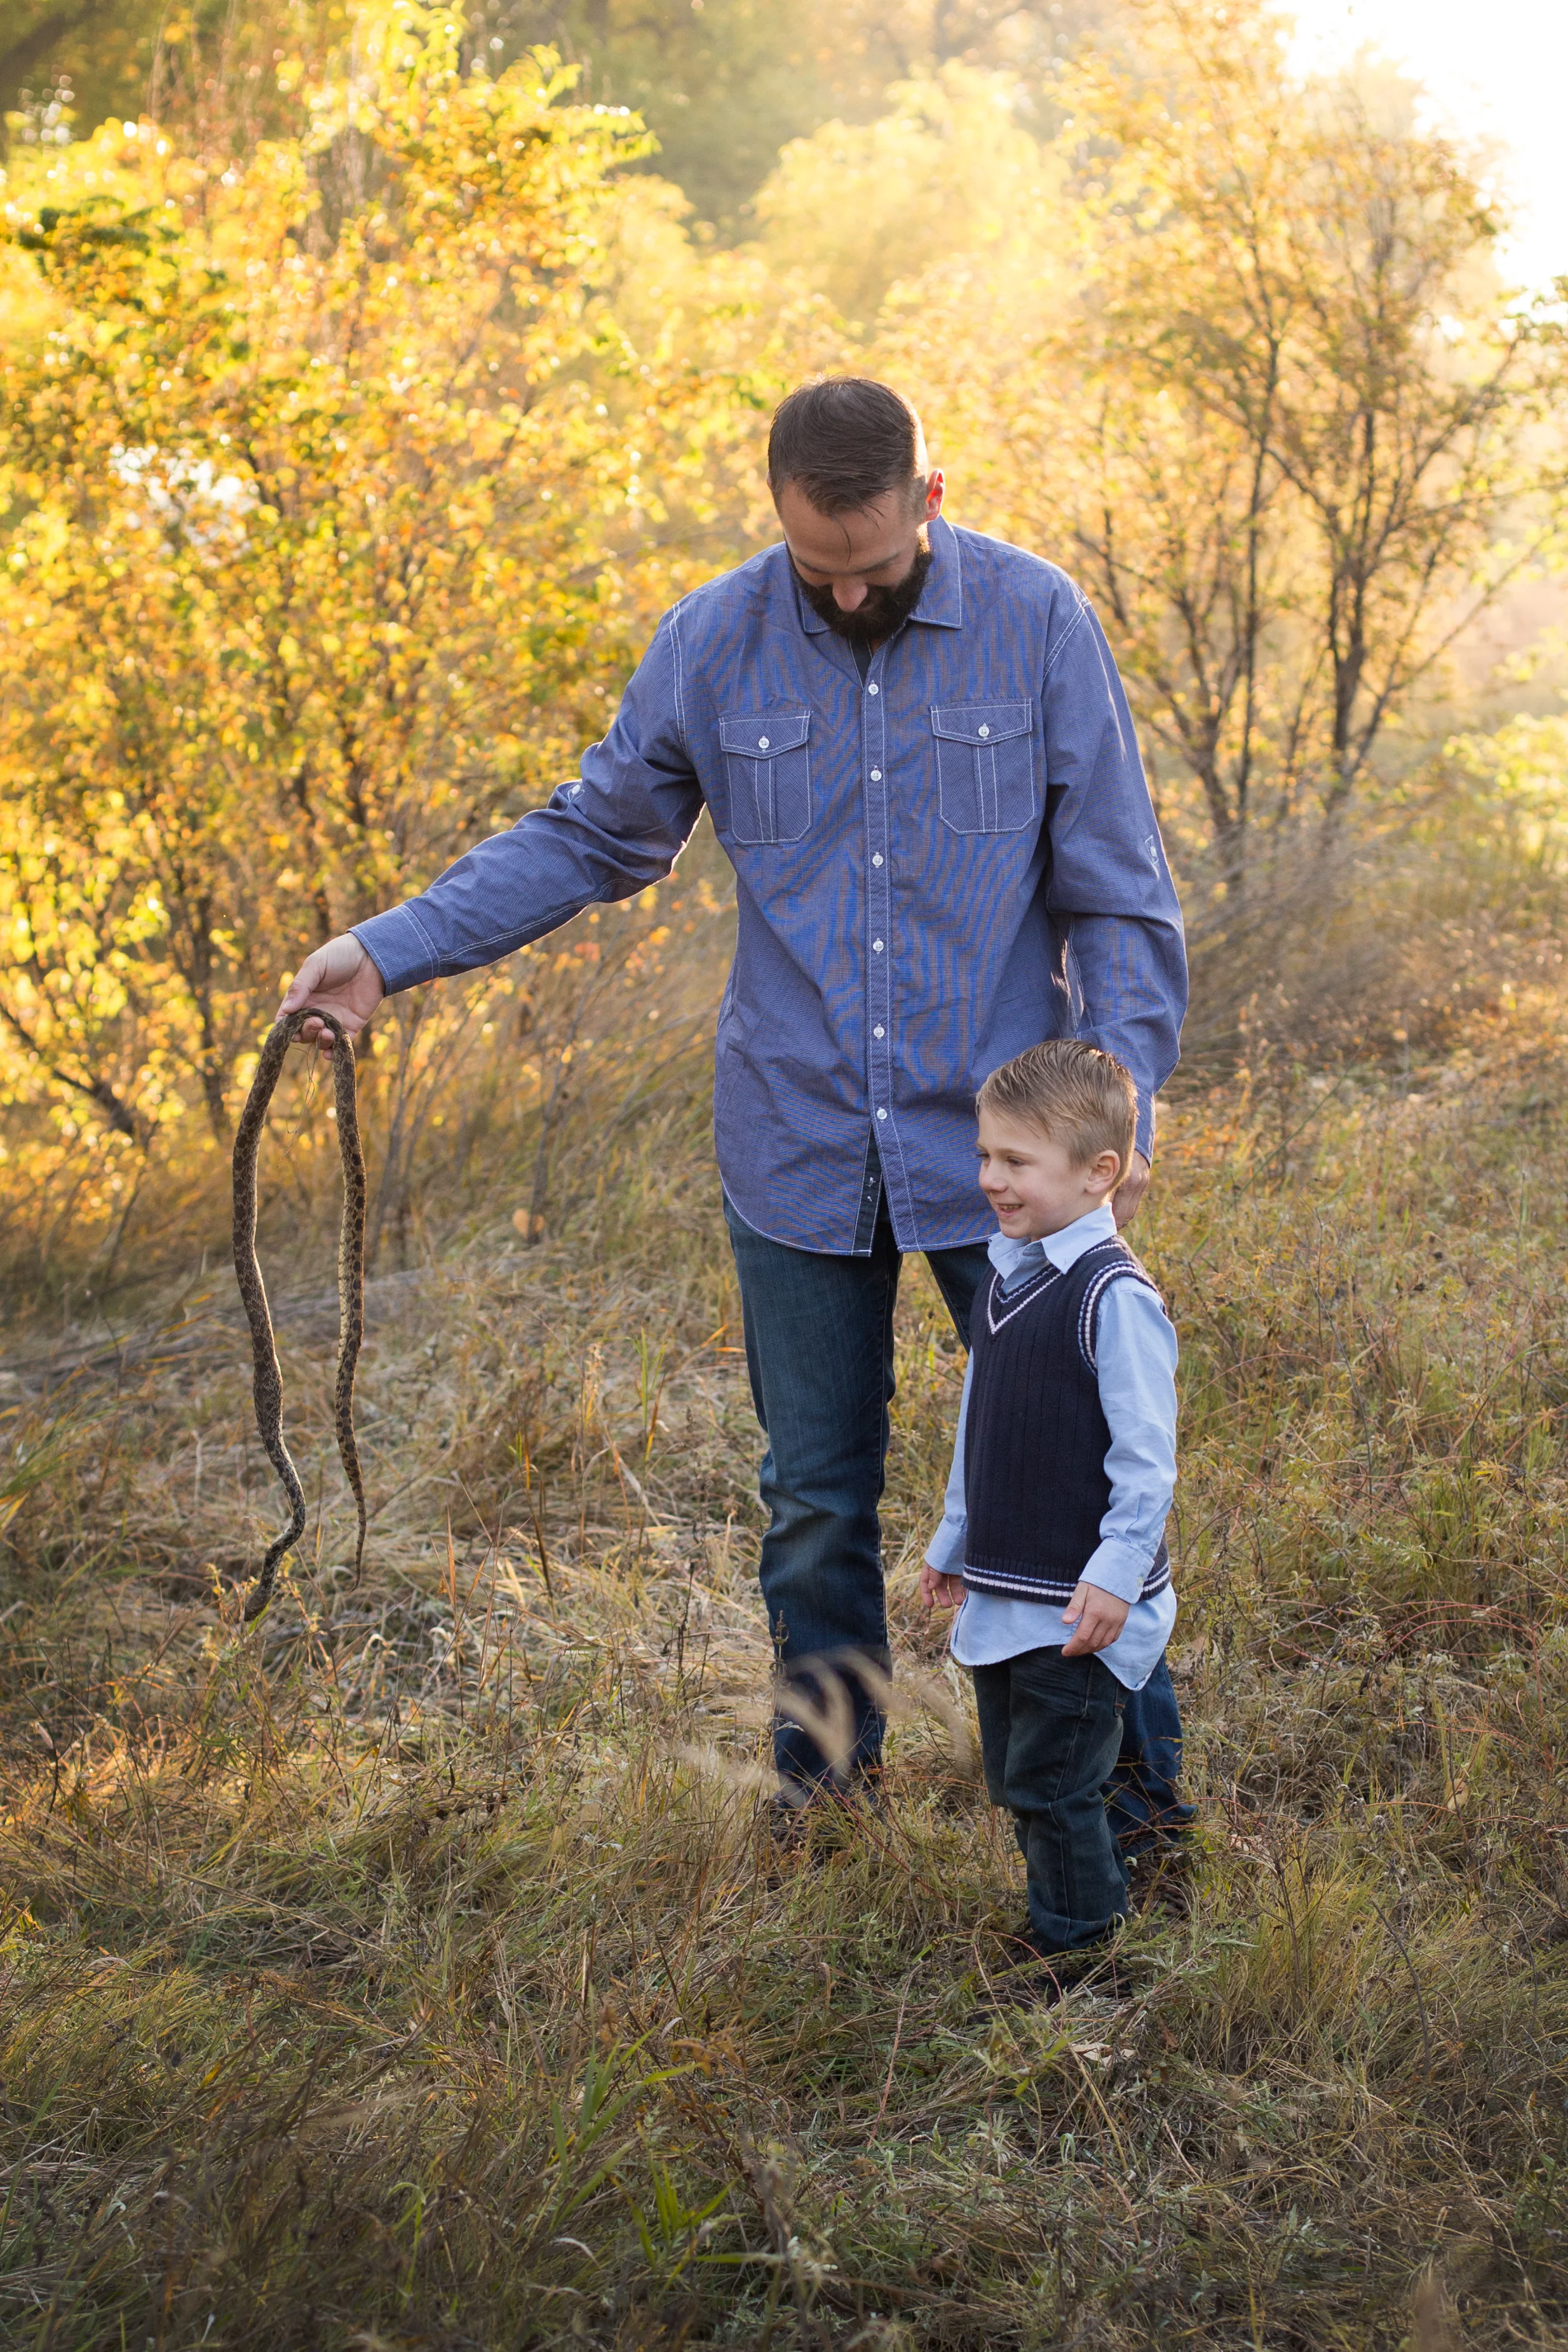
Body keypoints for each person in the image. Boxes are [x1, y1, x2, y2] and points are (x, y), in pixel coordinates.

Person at [278, 375, 1189, 1820]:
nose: (847, 595)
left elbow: (1117, 885)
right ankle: (827, 1794)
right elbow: (590, 837)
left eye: (873, 566)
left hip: (1014, 1150)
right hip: (798, 1135)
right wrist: (388, 951)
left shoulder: (1038, 624)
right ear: (776, 516)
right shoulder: (712, 641)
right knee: (815, 1497)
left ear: (929, 501)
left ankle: (1129, 1808)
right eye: (818, 569)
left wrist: (1119, 1092)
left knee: (1065, 1472)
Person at [921, 1040, 1181, 2001]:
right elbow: (979, 1426)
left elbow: (1147, 1458)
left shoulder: (1113, 1296)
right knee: (1019, 1774)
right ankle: (1108, 1885)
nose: (990, 1179)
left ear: (1098, 1172)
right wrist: (957, 1538)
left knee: (1054, 1782)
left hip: (1078, 1602)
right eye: (986, 1156)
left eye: (1016, 1161)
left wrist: (1117, 1572)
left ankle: (1079, 1954)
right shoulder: (1007, 1276)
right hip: (1009, 1586)